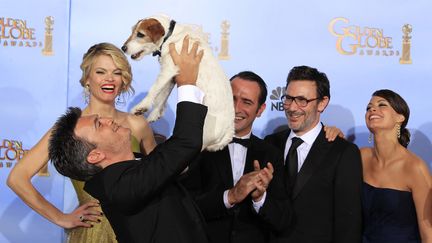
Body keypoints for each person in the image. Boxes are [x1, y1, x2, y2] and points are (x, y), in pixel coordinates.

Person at [48, 37, 209, 243]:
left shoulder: (137, 164)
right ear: (95, 155)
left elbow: (172, 161)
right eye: (98, 124)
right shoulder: (120, 188)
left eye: (116, 72)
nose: (106, 120)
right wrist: (186, 84)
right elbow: (185, 143)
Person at [7, 42, 156, 242]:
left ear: (124, 80)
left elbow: (159, 175)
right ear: (87, 78)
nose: (109, 79)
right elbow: (17, 178)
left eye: (117, 72)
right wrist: (62, 218)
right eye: (101, 72)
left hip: (140, 226)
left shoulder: (137, 125)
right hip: (95, 231)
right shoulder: (72, 129)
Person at [181, 71, 291, 243]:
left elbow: (282, 219)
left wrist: (260, 198)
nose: (236, 108)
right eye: (232, 98)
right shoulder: (201, 146)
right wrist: (230, 196)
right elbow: (185, 207)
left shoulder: (271, 154)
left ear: (260, 110)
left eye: (246, 102)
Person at [265, 65, 363, 243]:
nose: (292, 107)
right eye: (288, 98)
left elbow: (349, 223)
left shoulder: (343, 153)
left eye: (302, 100)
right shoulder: (270, 144)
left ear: (322, 103)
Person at [361, 89, 432, 243]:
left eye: (382, 105)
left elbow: (428, 231)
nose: (372, 109)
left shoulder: (414, 167)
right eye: (369, 107)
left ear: (400, 117)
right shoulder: (362, 156)